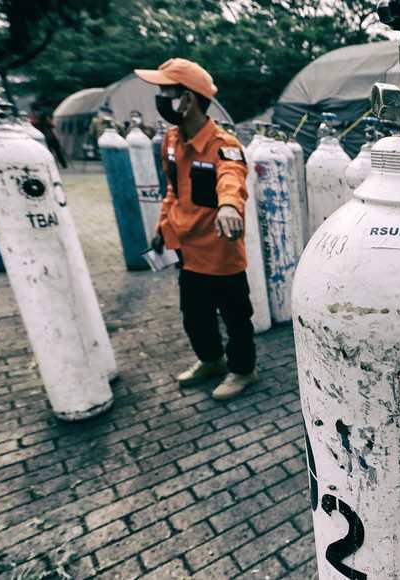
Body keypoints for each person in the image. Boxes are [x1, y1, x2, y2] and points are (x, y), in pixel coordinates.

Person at [134, 58, 258, 401]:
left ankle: (243, 371)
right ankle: (211, 360)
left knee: (236, 318)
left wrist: (228, 206)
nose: (161, 99)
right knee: (195, 317)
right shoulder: (171, 140)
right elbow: (172, 189)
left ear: (187, 99)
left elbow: (232, 178)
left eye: (167, 92)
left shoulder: (224, 144)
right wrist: (163, 226)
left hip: (220, 253)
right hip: (187, 252)